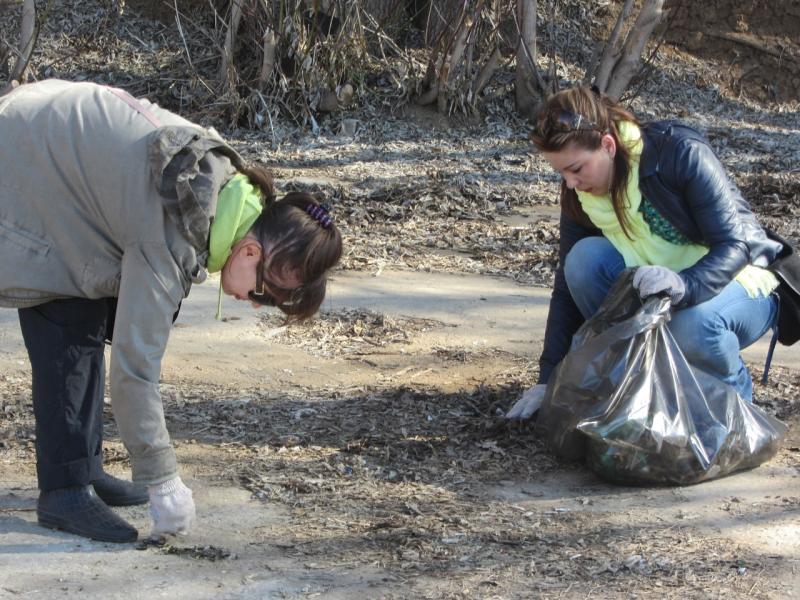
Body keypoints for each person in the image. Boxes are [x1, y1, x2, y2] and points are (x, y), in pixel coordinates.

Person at [0, 79, 342, 542]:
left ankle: (83, 465)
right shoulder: (171, 231)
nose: (253, 303)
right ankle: (64, 490)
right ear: (249, 254)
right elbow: (135, 367)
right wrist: (163, 481)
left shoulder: (222, 188)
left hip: (45, 132)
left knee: (100, 308)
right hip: (21, 162)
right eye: (265, 295)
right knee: (68, 310)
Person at [507, 85, 784, 420]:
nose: (569, 183)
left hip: (742, 282)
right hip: (663, 285)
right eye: (561, 173)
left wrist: (686, 285)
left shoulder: (679, 152)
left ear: (607, 145)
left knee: (694, 324)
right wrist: (548, 379)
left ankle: (736, 411)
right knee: (583, 262)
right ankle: (643, 382)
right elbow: (567, 288)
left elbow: (735, 245)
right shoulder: (582, 195)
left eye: (576, 169)